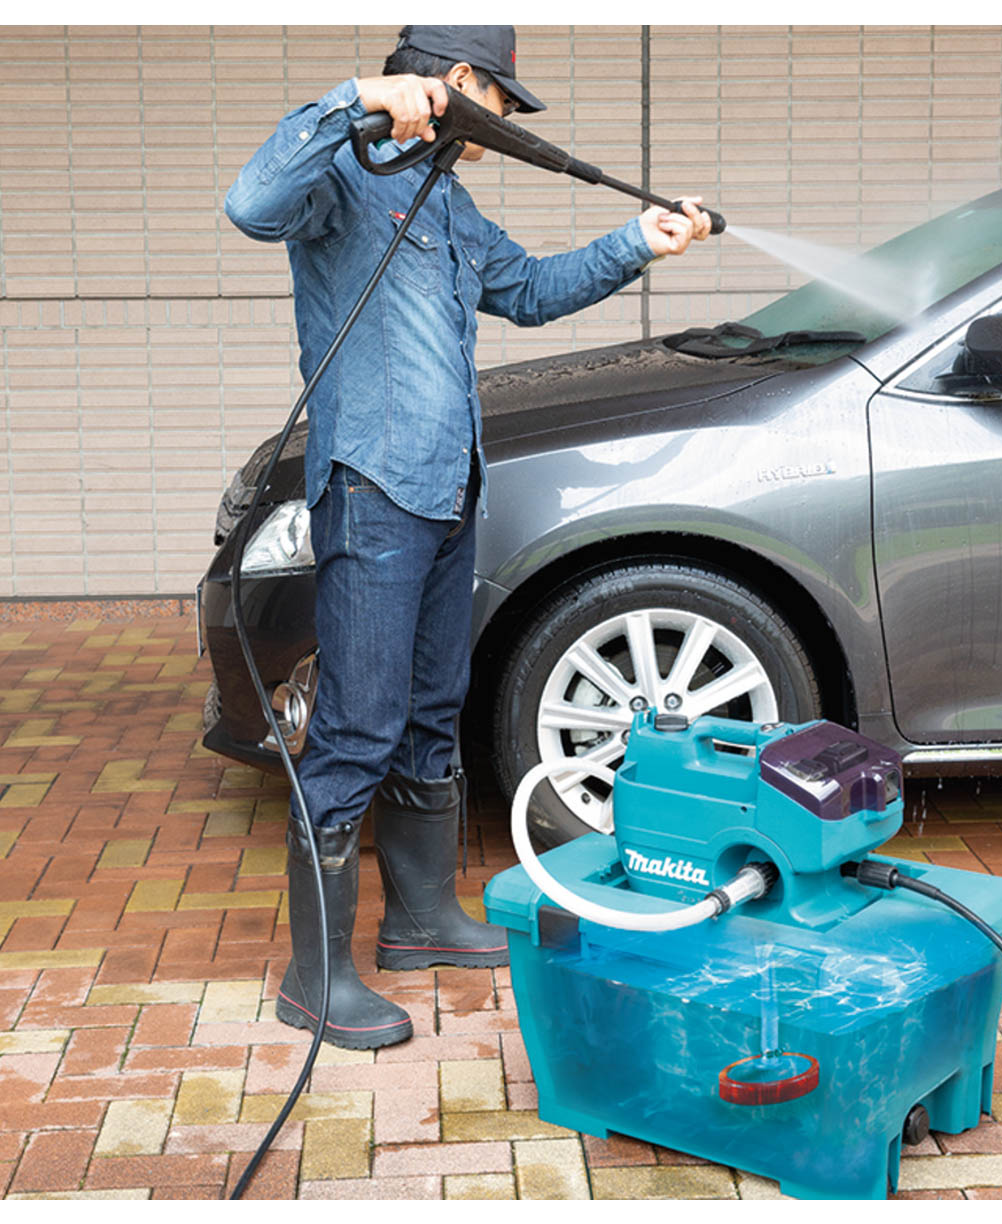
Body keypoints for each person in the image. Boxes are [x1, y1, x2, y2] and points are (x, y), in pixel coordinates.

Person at [224, 25, 712, 1050]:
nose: (508, 123)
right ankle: (315, 980)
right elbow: (250, 204)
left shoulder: (448, 201)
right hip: (375, 490)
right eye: (502, 101)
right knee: (358, 725)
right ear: (457, 82)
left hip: (449, 490)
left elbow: (527, 292)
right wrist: (357, 97)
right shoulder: (343, 176)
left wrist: (639, 242)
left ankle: (421, 921)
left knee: (432, 710)